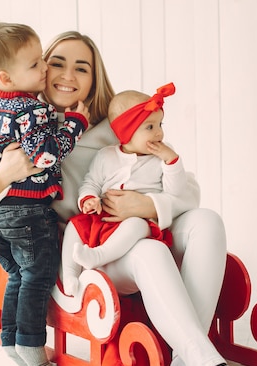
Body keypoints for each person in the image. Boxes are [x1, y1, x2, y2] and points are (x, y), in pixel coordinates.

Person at [0, 30, 257, 366]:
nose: (67, 75)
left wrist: (144, 205)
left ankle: (189, 361)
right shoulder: (19, 130)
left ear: (95, 79)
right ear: (39, 68)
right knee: (147, 251)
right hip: (82, 254)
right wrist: (1, 175)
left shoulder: (114, 131)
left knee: (207, 221)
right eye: (57, 62)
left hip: (132, 230)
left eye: (82, 68)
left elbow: (188, 192)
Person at [0, 22, 90, 366]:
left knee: (19, 278)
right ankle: (32, 344)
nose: (44, 70)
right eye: (37, 64)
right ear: (7, 77)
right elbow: (46, 155)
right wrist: (75, 125)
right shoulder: (30, 108)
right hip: (28, 211)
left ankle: (10, 339)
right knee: (37, 275)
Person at [61, 83, 187, 296]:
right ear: (126, 133)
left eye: (160, 124)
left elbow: (176, 190)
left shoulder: (161, 159)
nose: (159, 133)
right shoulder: (106, 156)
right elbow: (91, 182)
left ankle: (98, 256)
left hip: (140, 220)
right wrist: (89, 199)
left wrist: (171, 160)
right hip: (104, 219)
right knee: (74, 226)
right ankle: (70, 276)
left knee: (136, 226)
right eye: (150, 127)